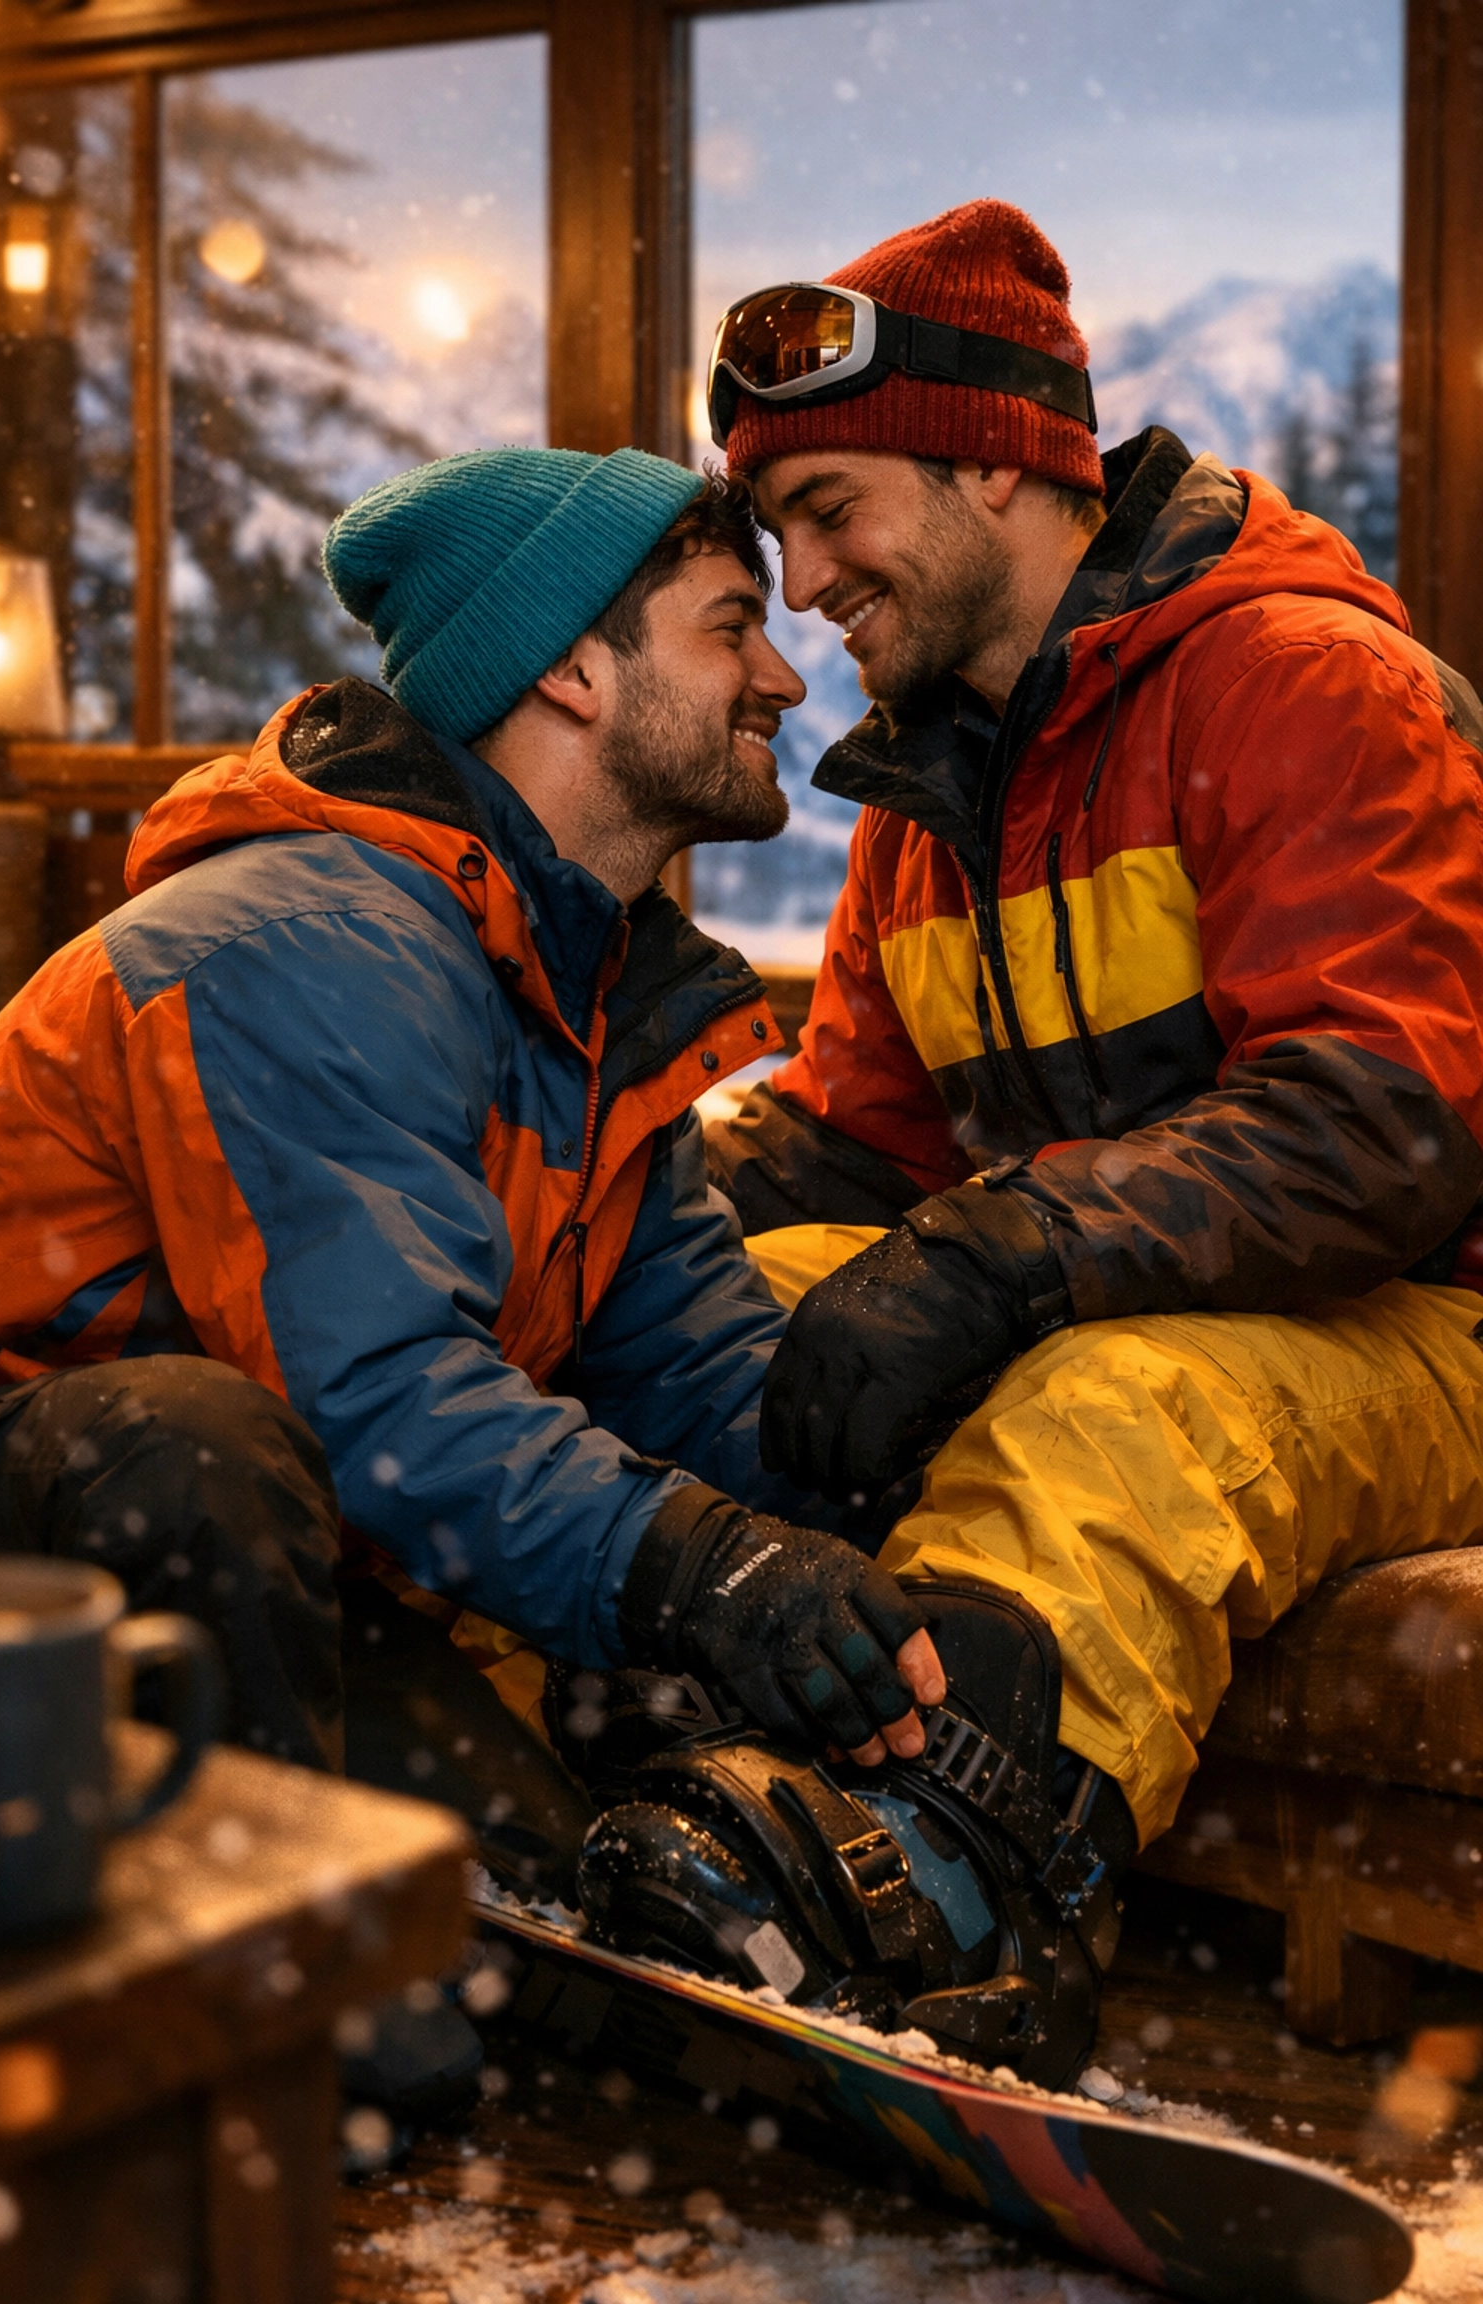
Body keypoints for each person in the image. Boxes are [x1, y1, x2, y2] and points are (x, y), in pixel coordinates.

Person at [580, 201, 1483, 2086]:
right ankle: (611, 1763)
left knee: (1117, 1399)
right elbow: (858, 1137)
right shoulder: (928, 800)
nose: (808, 580)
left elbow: (1389, 1119)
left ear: (998, 459)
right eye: (780, 535)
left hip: (1421, 1315)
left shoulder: (1304, 683)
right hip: (1116, 1290)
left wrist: (1000, 1252)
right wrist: (639, 1229)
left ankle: (960, 1883)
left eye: (833, 507)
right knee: (730, 1324)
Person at [0, 447, 947, 1808]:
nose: (780, 677)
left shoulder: (589, 1000)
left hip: (242, 1542)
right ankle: (231, 1984)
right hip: (34, 1510)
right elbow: (370, 1400)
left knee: (530, 1920)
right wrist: (695, 1573)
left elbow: (697, 1377)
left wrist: (921, 1572)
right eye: (731, 627)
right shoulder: (317, 937)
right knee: (191, 1451)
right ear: (573, 672)